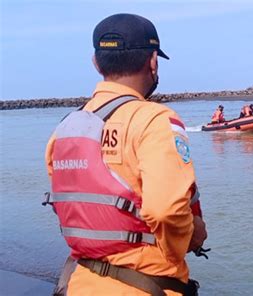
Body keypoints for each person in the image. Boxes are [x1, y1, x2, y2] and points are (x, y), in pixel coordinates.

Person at [44, 13, 207, 296]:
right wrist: (190, 237)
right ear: (153, 61)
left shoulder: (64, 128)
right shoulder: (155, 120)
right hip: (147, 286)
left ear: (96, 63)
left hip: (79, 282)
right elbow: (165, 210)